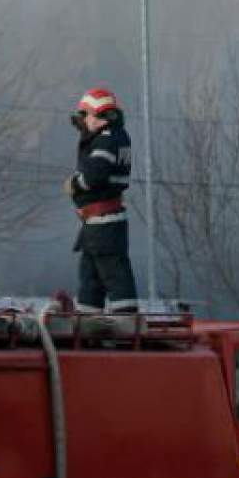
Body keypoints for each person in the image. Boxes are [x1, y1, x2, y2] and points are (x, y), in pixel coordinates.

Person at [63, 87, 139, 313]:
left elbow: (96, 174)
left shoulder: (106, 140)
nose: (83, 122)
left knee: (114, 274)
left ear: (97, 116)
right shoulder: (115, 136)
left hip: (104, 224)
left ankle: (125, 320)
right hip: (98, 225)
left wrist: (75, 184)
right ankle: (88, 320)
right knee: (91, 277)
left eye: (85, 116)